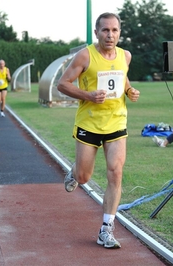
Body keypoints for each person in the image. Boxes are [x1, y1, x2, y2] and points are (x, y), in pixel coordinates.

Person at [57, 12, 140, 249]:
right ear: (97, 32)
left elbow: (122, 80)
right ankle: (74, 172)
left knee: (115, 172)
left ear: (120, 33)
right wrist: (88, 95)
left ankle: (106, 229)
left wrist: (129, 90)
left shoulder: (125, 56)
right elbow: (62, 84)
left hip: (116, 123)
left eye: (114, 30)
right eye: (105, 30)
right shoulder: (85, 55)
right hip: (89, 124)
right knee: (84, 177)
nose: (110, 35)